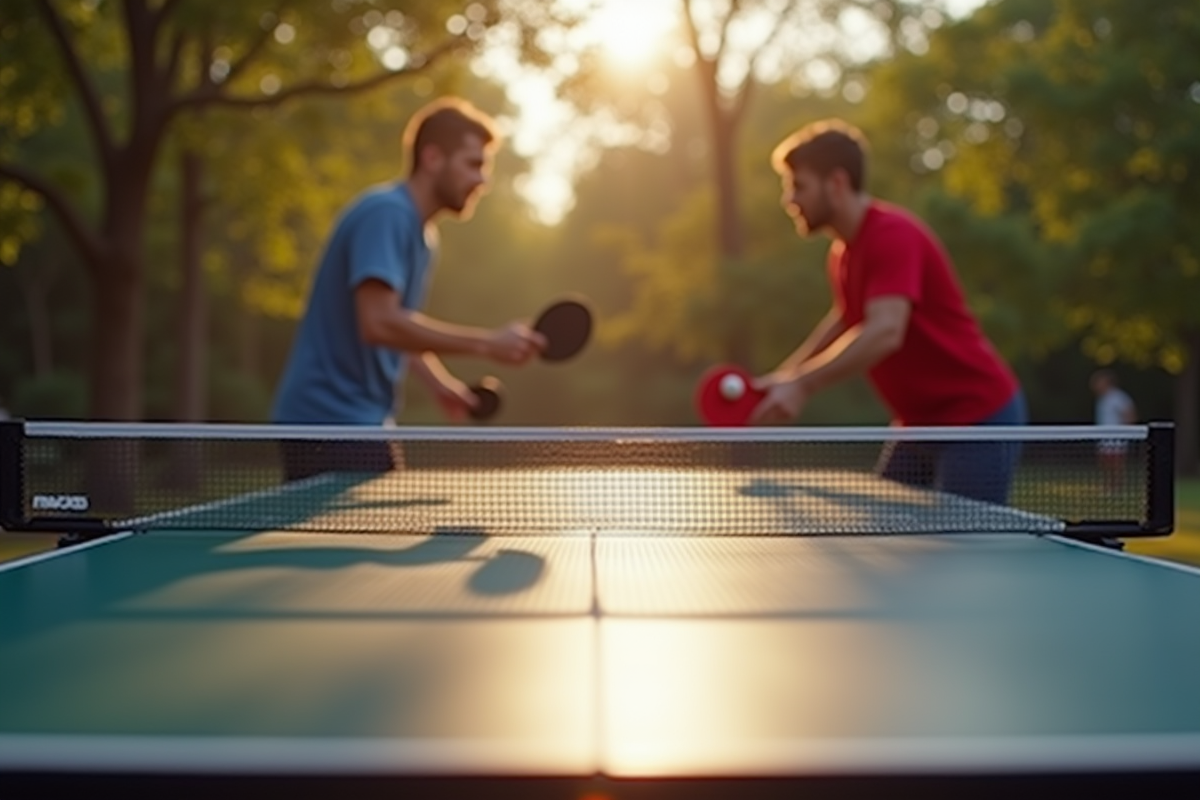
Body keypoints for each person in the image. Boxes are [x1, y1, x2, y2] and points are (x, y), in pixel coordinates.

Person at [749, 119, 1026, 504]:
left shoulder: (892, 235)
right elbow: (847, 318)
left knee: (965, 555)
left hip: (976, 420)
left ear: (837, 183)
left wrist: (805, 384)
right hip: (917, 425)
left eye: (799, 186)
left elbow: (884, 331)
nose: (789, 200)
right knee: (885, 533)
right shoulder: (842, 253)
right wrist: (789, 376)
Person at [271, 98, 546, 480]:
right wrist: (487, 343)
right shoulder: (388, 215)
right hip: (327, 422)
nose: (483, 180)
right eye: (473, 164)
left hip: (358, 421)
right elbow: (379, 323)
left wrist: (441, 385)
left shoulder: (422, 235)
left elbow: (398, 329)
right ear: (433, 158)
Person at [1090, 369, 1137, 490]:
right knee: (1105, 464)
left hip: (1117, 439)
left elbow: (1129, 414)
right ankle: (1107, 487)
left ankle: (1117, 487)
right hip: (1103, 439)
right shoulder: (1102, 399)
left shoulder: (1118, 397)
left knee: (1117, 465)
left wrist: (1126, 433)